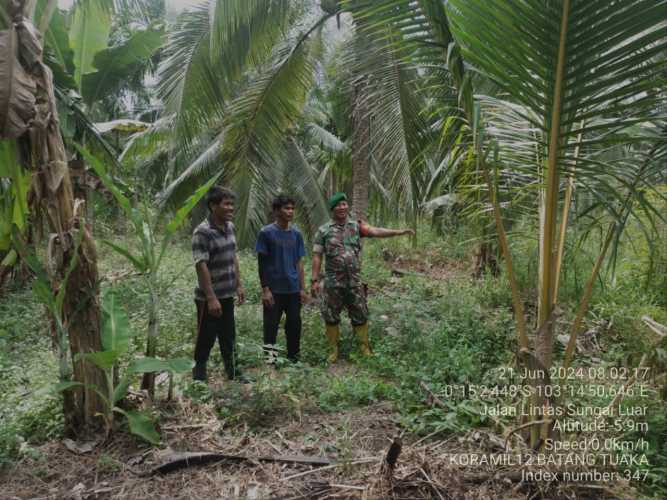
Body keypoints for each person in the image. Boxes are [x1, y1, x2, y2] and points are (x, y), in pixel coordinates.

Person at [310, 192, 414, 363]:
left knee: (360, 313)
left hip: (354, 282)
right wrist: (314, 280)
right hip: (333, 282)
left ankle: (363, 347)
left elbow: (375, 231)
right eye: (339, 205)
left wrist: (398, 232)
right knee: (330, 315)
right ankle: (333, 349)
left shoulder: (356, 226)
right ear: (332, 209)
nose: (343, 207)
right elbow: (317, 256)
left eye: (345, 204)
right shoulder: (324, 231)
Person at [191, 186, 245, 381]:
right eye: (226, 204)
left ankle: (233, 372)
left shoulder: (230, 227)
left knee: (229, 336)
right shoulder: (202, 232)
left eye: (232, 204)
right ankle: (199, 379)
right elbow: (201, 265)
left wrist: (238, 284)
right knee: (205, 339)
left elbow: (233, 257)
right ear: (213, 206)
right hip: (209, 299)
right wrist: (211, 297)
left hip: (227, 294)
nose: (231, 208)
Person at [255, 195, 308, 364]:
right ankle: (270, 361)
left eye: (292, 208)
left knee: (294, 325)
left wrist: (302, 288)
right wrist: (265, 290)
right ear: (277, 211)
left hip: (292, 289)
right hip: (274, 290)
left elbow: (299, 262)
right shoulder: (266, 233)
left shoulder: (296, 234)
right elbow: (262, 263)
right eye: (286, 208)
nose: (290, 212)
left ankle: (294, 359)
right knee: (271, 327)